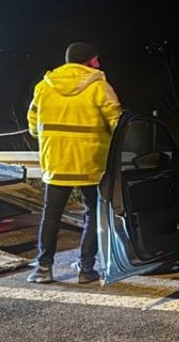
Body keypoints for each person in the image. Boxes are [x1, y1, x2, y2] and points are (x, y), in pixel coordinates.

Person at [25, 42, 121, 283]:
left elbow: (33, 126)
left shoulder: (44, 87)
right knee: (92, 214)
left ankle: (43, 268)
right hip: (90, 164)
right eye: (96, 60)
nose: (98, 64)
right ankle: (86, 269)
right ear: (88, 61)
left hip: (56, 163)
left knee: (51, 216)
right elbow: (117, 124)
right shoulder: (99, 87)